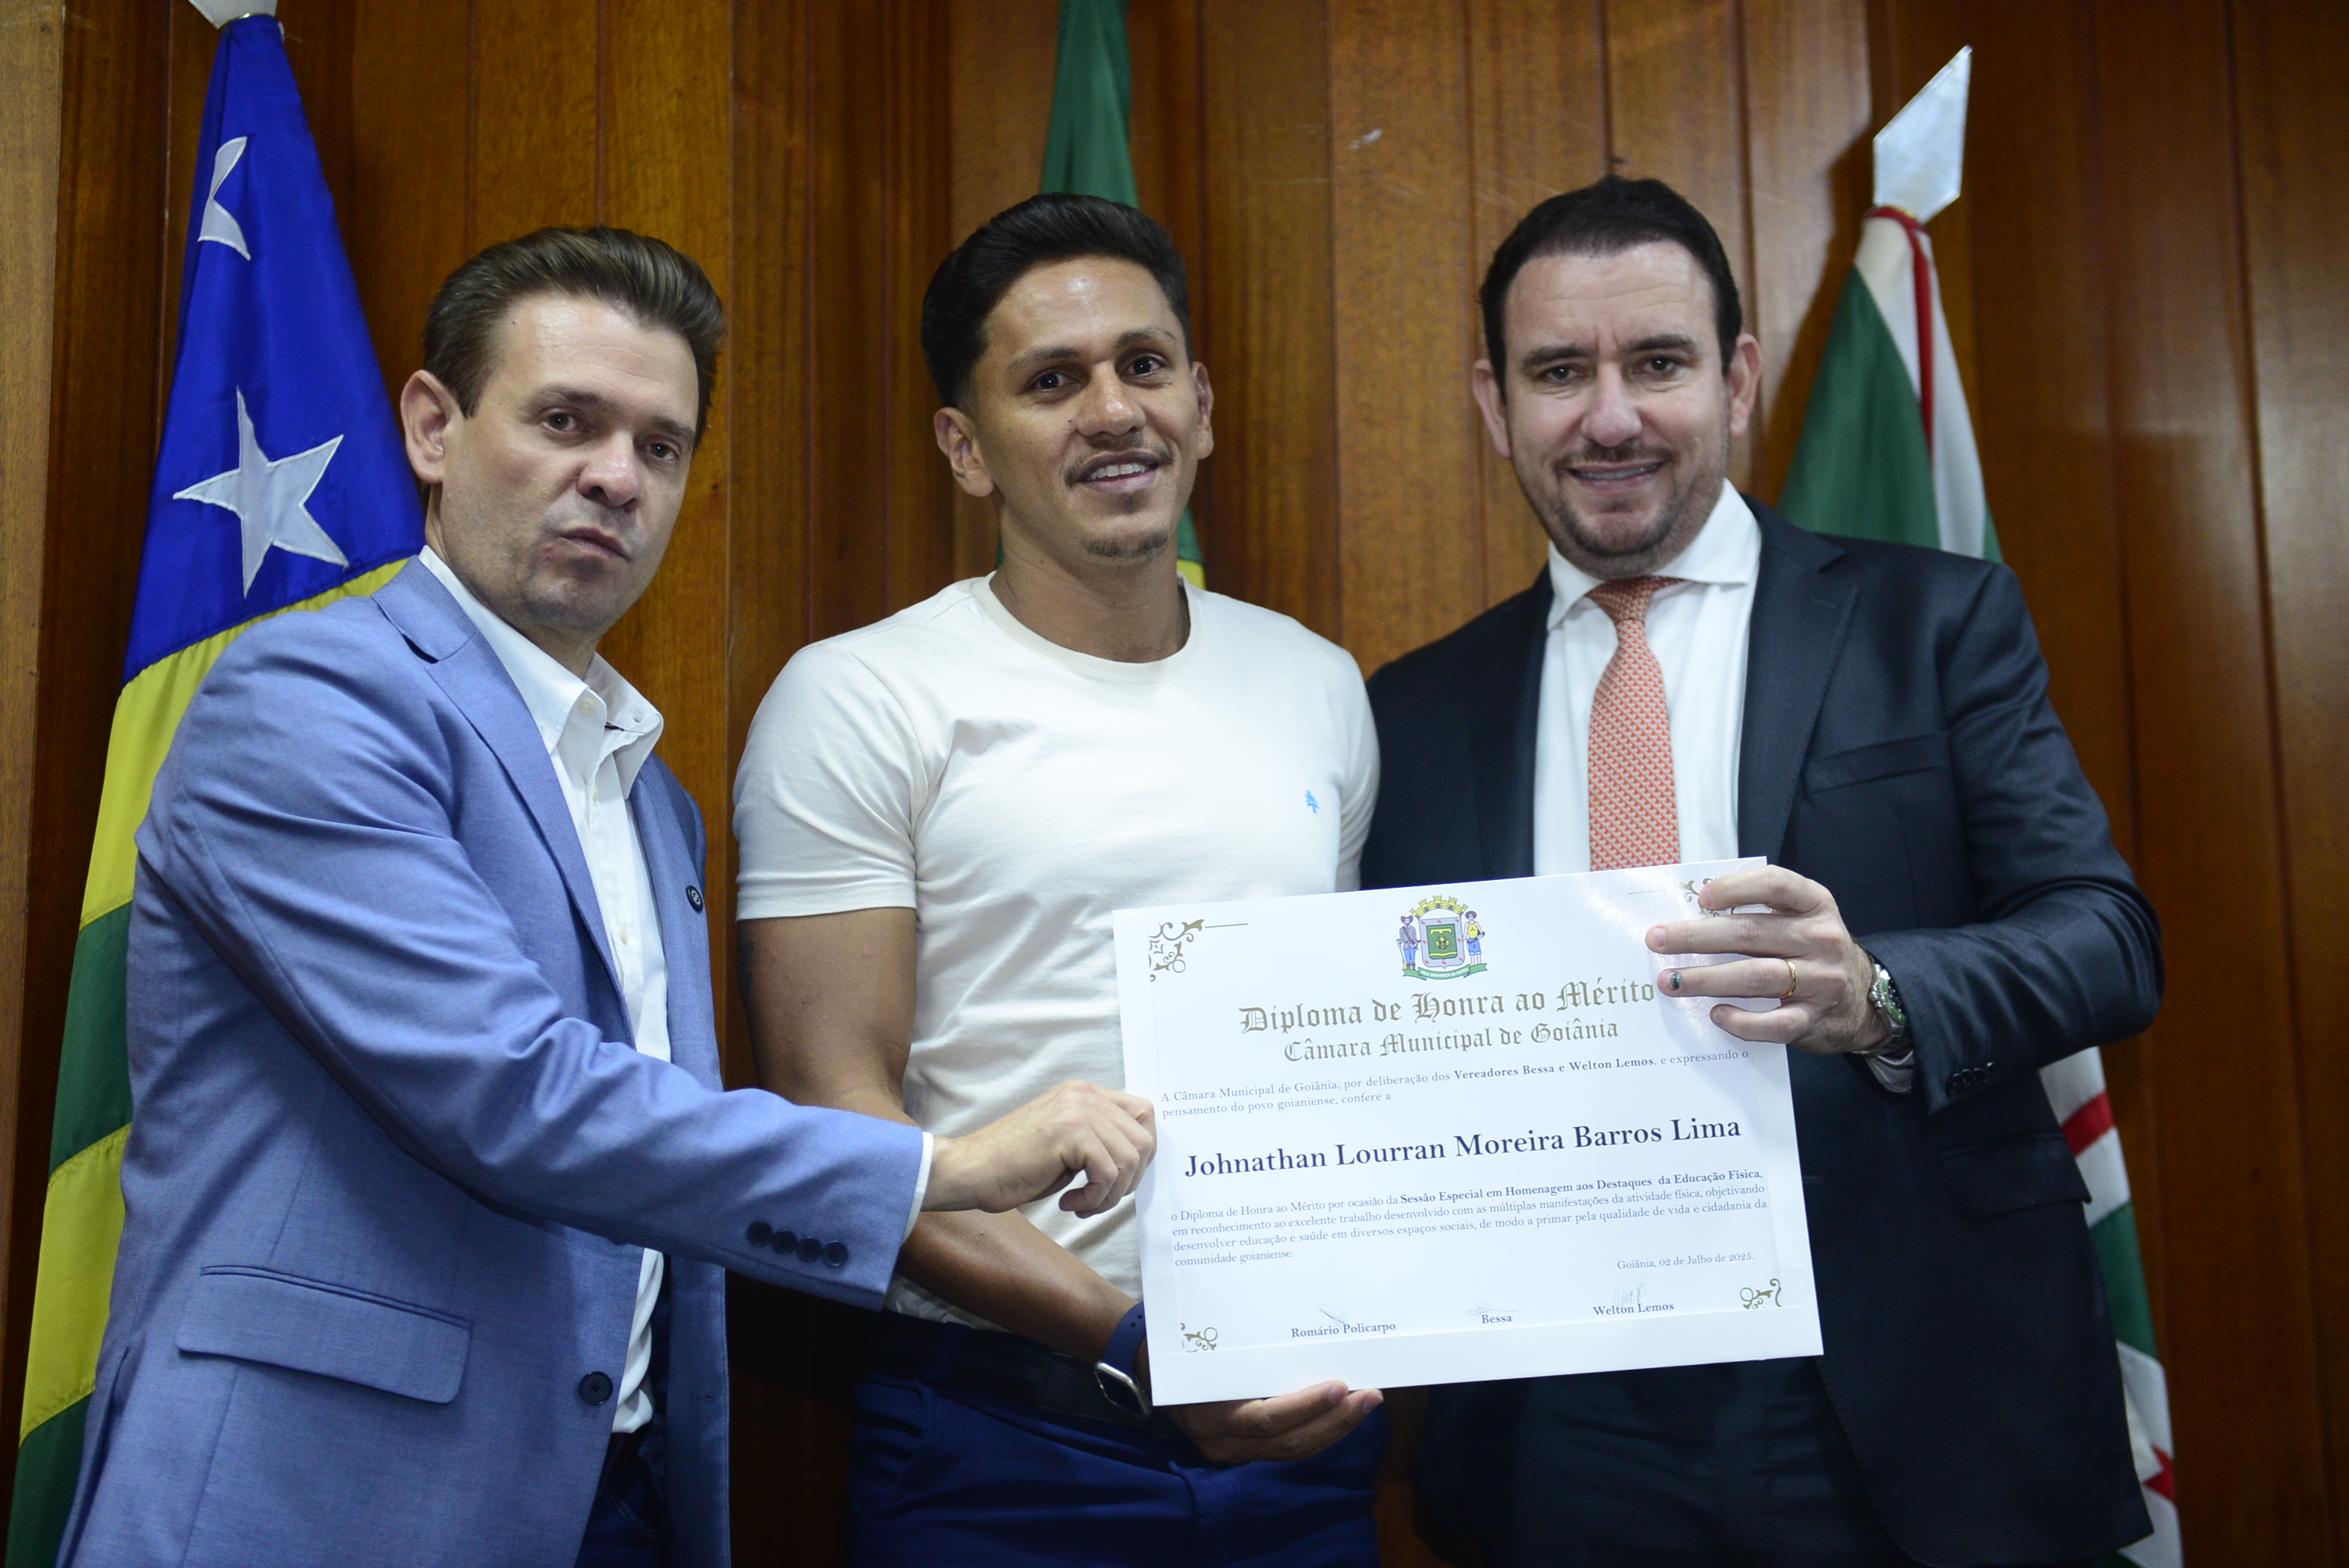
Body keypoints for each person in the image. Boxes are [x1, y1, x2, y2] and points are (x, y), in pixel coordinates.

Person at [60, 227, 1155, 1568]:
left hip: (609, 1494)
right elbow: (510, 1091)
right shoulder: (309, 702)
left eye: (661, 446)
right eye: (566, 422)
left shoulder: (652, 798)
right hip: (319, 1500)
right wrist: (949, 1167)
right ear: (432, 428)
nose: (616, 479)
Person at [1361, 176, 2161, 1567]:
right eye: (1560, 373)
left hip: (1909, 1375)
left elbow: (2107, 939)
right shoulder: (1413, 711)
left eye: (1658, 362)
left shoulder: (1934, 623)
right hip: (1561, 1415)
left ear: (1735, 380)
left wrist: (1876, 992)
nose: (1612, 417)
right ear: (1495, 404)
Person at [733, 194, 1388, 1566]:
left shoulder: (1316, 684)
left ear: (1202, 404)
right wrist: (1140, 1347)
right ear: (965, 449)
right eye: (1051, 381)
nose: (1114, 411)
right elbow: (836, 1117)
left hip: (1297, 1434)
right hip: (998, 1440)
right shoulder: (858, 699)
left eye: (1145, 365)